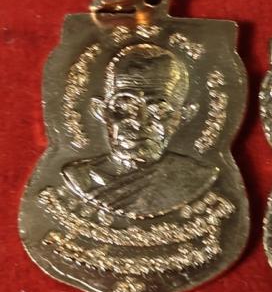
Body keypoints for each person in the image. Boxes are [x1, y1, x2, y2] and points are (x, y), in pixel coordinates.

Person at [62, 43, 217, 219]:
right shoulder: (79, 176)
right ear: (101, 111)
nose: (138, 122)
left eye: (158, 110)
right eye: (124, 106)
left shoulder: (194, 177)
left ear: (184, 116)